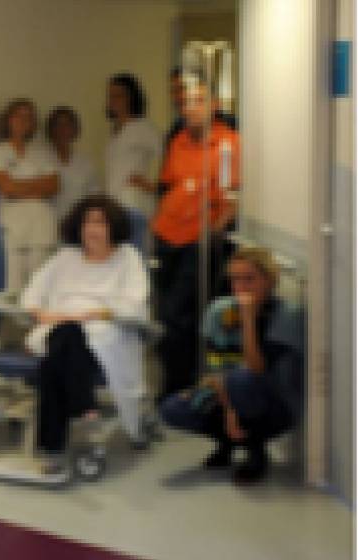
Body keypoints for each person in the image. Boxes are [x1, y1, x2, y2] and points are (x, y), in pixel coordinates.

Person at [20, 194, 150, 482]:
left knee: (52, 362)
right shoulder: (64, 258)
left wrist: (94, 314)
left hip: (107, 331)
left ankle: (52, 449)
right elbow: (32, 294)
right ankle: (85, 410)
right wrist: (41, 313)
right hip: (57, 328)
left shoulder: (127, 259)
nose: (92, 229)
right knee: (66, 336)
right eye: (87, 222)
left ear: (113, 226)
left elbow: (134, 304)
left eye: (100, 222)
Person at [160, 247, 303, 484]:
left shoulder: (286, 316)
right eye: (235, 279)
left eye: (249, 279)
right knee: (173, 408)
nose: (241, 286)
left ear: (268, 280)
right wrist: (228, 409)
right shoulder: (219, 311)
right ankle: (228, 442)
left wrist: (248, 319)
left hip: (274, 405)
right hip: (229, 392)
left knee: (241, 379)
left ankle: (255, 450)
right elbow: (214, 370)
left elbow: (256, 369)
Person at [152, 79, 240, 400]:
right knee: (166, 317)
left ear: (214, 105)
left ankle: (178, 388)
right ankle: (174, 382)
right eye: (186, 102)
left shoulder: (228, 144)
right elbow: (169, 186)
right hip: (166, 238)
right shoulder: (177, 142)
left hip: (197, 244)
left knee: (180, 316)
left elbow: (233, 198)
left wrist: (215, 231)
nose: (190, 108)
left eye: (199, 101)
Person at [0, 98, 59, 295]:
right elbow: (7, 188)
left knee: (40, 281)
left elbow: (53, 186)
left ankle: (39, 325)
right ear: (8, 119)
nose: (23, 121)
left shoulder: (43, 152)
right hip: (12, 221)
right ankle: (15, 326)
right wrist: (37, 185)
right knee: (13, 283)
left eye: (29, 117)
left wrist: (20, 186)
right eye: (18, 115)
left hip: (41, 222)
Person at [103, 73, 161, 254]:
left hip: (134, 202)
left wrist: (152, 185)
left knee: (135, 254)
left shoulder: (143, 127)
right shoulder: (115, 131)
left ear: (131, 97)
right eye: (110, 95)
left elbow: (167, 157)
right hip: (115, 202)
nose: (113, 100)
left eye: (118, 95)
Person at [44, 106, 98, 219]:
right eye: (58, 124)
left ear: (74, 129)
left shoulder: (85, 162)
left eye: (67, 124)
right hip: (48, 222)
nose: (62, 129)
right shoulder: (41, 158)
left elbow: (94, 197)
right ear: (51, 129)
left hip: (77, 223)